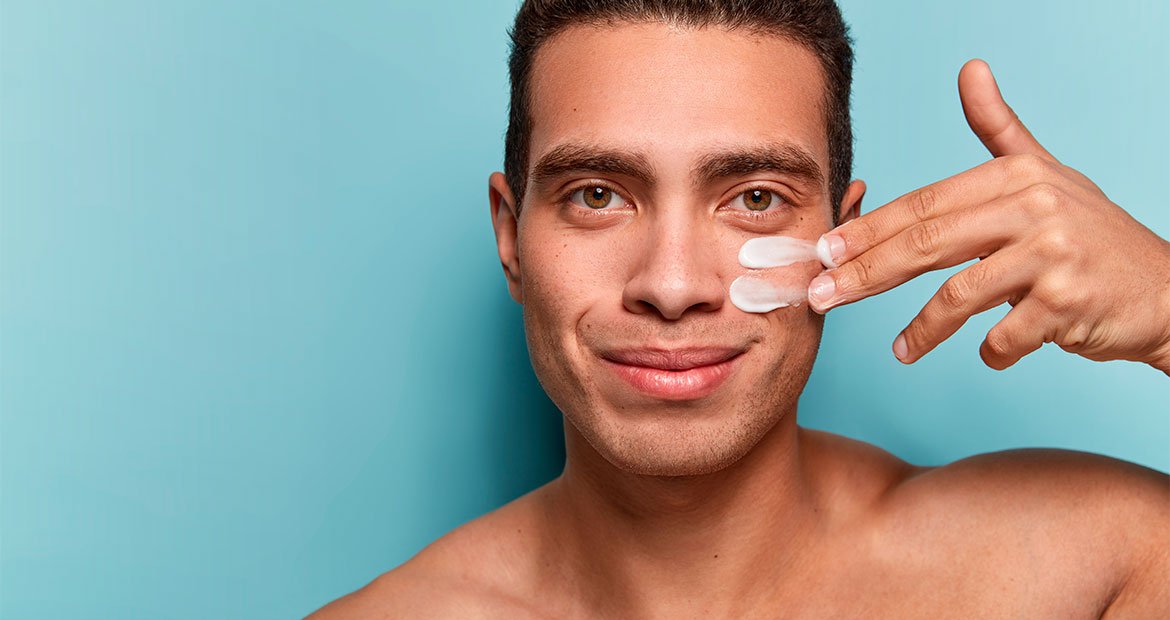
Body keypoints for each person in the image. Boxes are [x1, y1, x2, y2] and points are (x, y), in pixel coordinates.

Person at [310, 1, 1169, 617]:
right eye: (598, 193)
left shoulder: (1094, 573)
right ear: (511, 239)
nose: (674, 285)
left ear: (847, 234)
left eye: (755, 198)